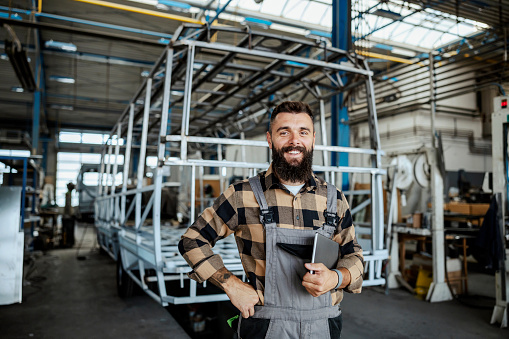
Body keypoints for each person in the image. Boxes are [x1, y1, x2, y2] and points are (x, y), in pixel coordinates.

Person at [179, 101, 364, 338]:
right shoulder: (242, 195)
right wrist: (231, 285)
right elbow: (192, 240)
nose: (294, 140)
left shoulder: (334, 198)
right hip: (265, 327)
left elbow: (354, 256)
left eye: (303, 132)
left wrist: (337, 277)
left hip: (323, 324)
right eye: (284, 132)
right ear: (269, 139)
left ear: (313, 139)